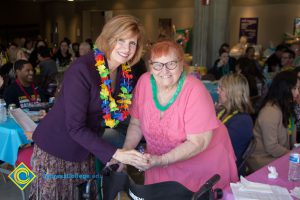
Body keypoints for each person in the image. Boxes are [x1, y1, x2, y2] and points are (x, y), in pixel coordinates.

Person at [30, 15, 148, 199]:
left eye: (132, 43)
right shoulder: (82, 69)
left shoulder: (124, 73)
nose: (126, 49)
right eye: (120, 40)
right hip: (56, 150)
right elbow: (75, 127)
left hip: (86, 149)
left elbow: (120, 114)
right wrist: (116, 153)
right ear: (108, 38)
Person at [120, 40, 238, 192]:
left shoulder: (195, 91)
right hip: (157, 163)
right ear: (150, 65)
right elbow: (136, 124)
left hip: (200, 164)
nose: (164, 71)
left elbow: (197, 143)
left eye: (171, 64)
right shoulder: (144, 83)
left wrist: (161, 160)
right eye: (157, 64)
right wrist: (125, 152)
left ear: (182, 64)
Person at [248, 70, 299, 172]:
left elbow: (292, 138)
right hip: (264, 162)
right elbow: (272, 147)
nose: (297, 93)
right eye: (294, 88)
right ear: (284, 89)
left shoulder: (286, 106)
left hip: (280, 157)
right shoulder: (270, 112)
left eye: (298, 88)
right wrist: (294, 156)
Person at [217, 74, 254, 168]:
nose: (217, 91)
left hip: (225, 167)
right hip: (217, 160)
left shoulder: (243, 121)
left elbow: (219, 145)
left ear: (232, 93)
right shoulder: (224, 111)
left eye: (221, 89)